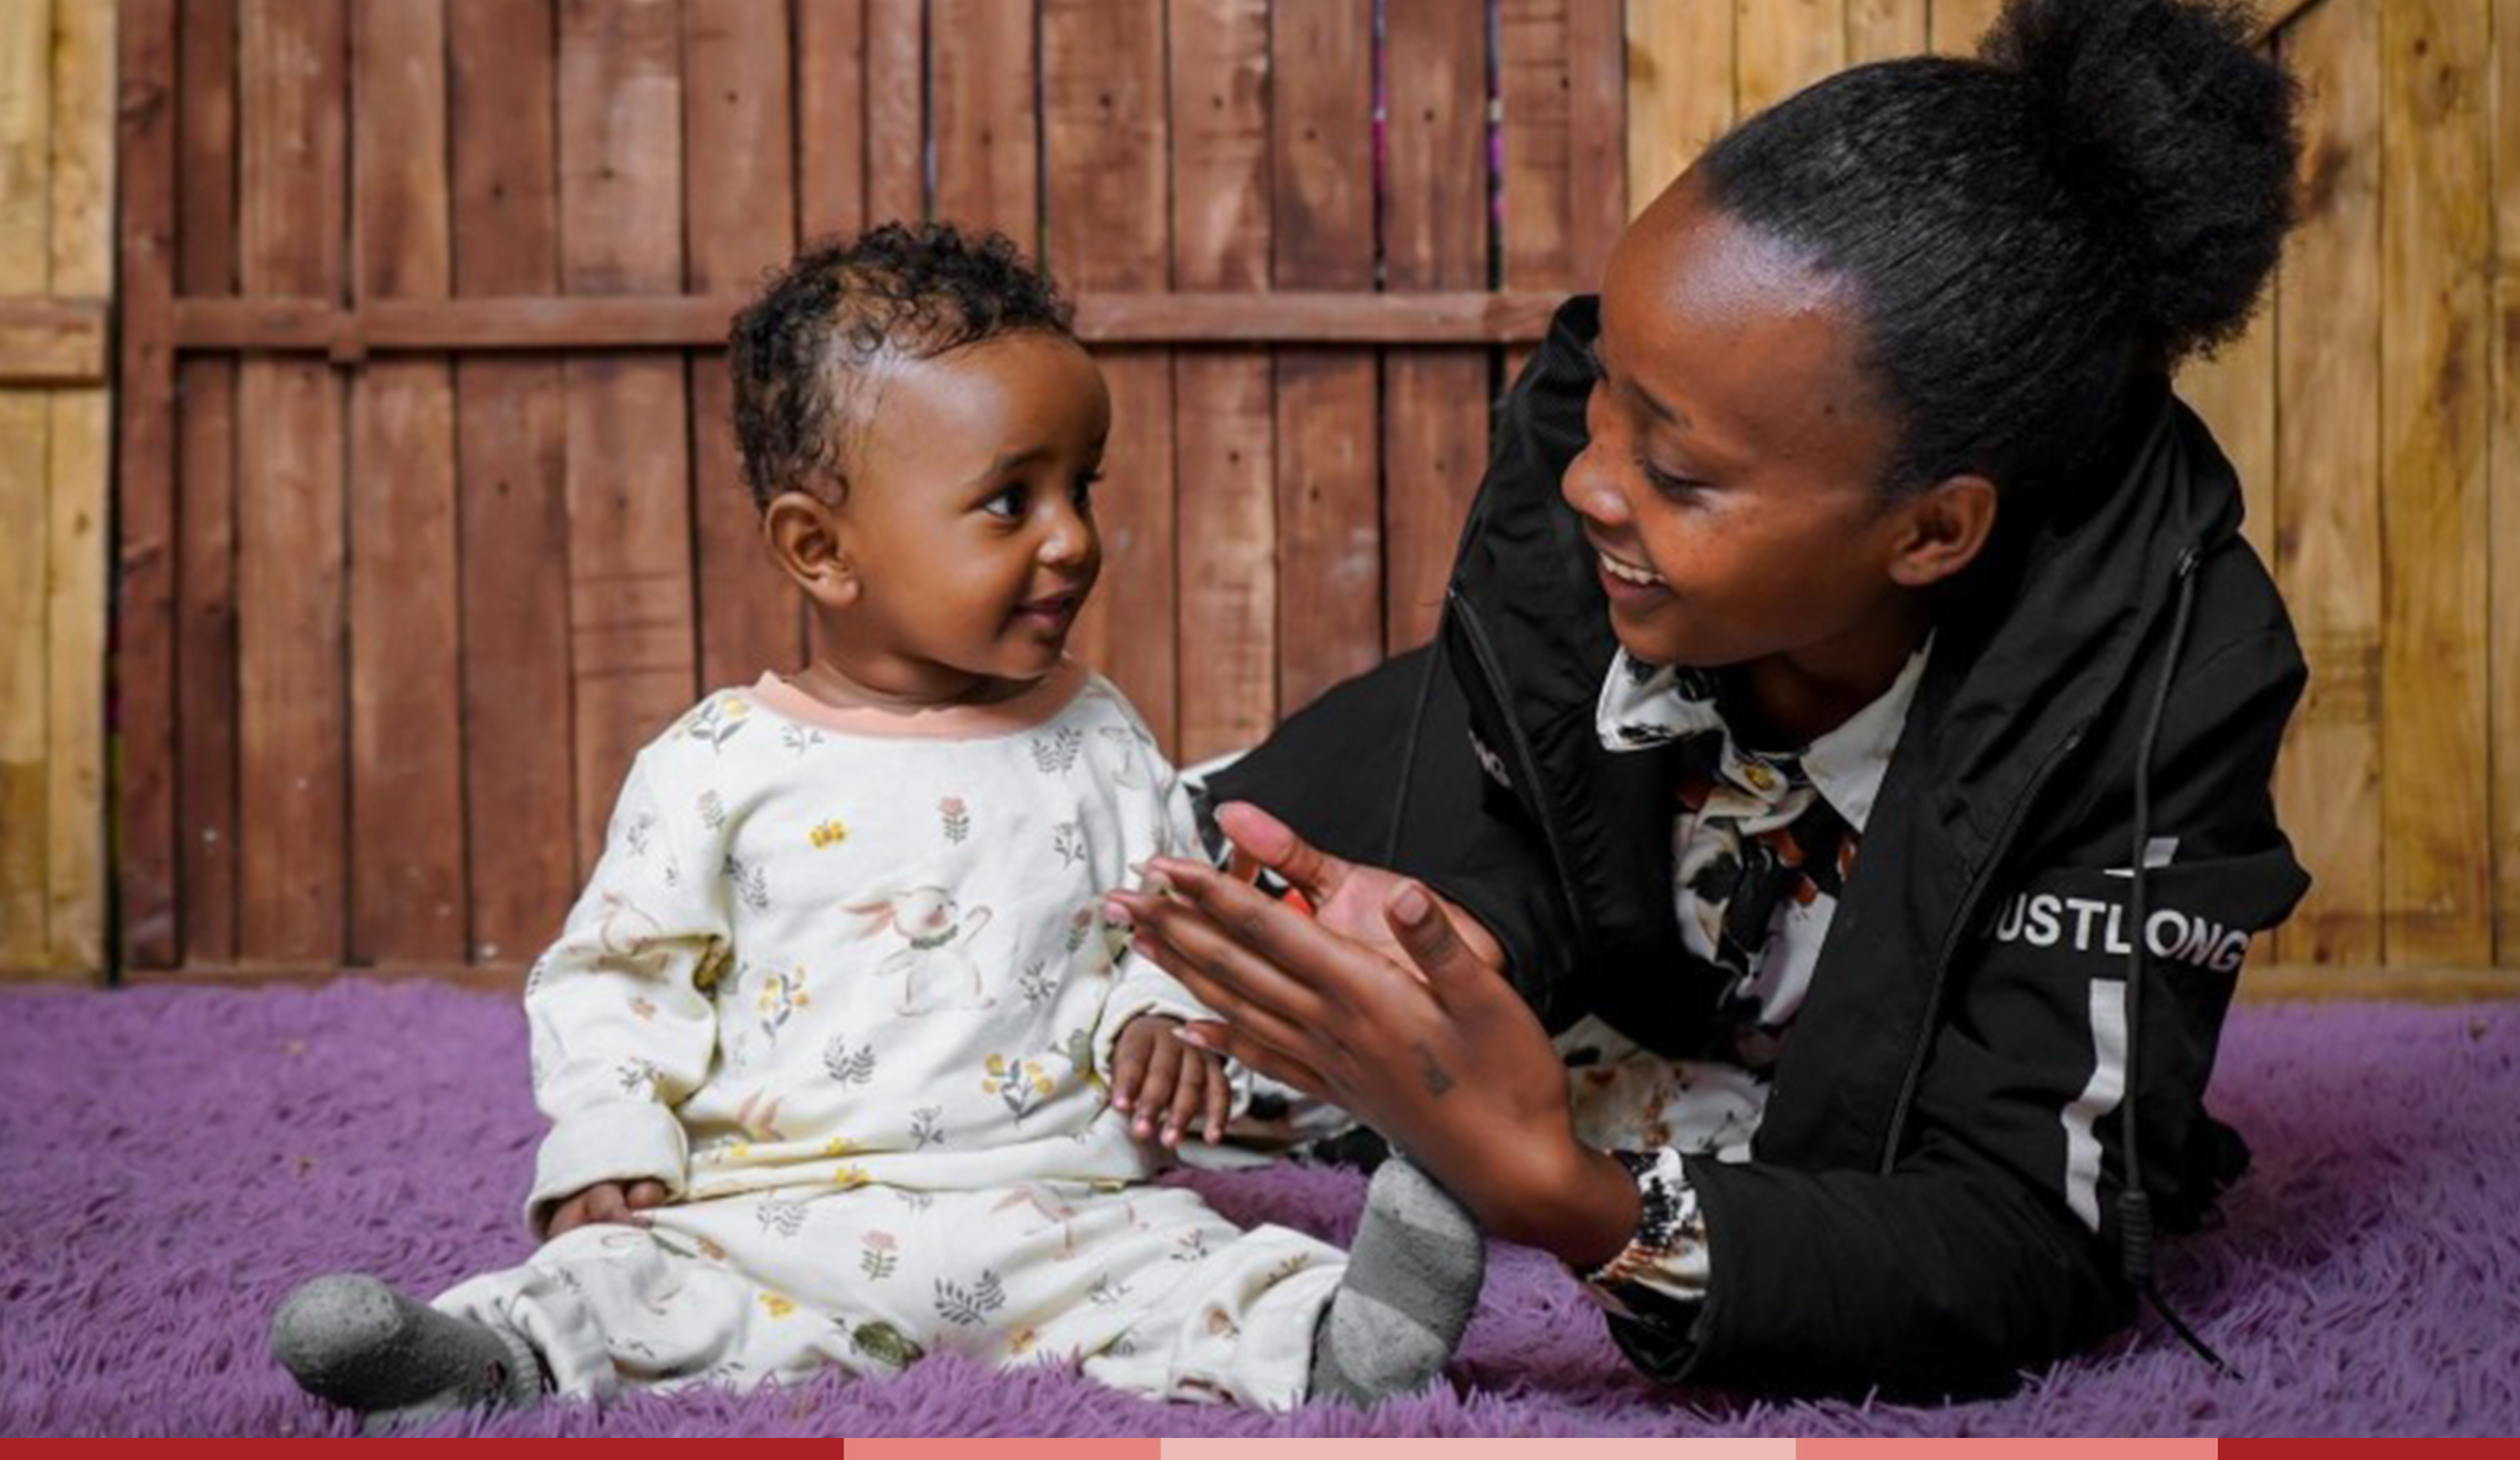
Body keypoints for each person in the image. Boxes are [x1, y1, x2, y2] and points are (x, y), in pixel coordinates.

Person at [1109, 0, 2309, 1399]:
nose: (1588, 480)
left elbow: (2024, 1226)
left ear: (1933, 532)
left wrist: (1568, 1194)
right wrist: (1470, 930)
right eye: (1607, 393)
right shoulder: (1594, 524)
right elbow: (1522, 803)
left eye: (1678, 475)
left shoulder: (2153, 686)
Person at [266, 224, 1483, 1425]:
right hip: (770, 1219)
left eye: (1081, 487)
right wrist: (609, 1131)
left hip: (1059, 1205)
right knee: (622, 1286)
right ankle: (483, 1362)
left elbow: (1162, 927)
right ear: (820, 549)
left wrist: (1161, 1023)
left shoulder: (1101, 736)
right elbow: (618, 976)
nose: (1072, 537)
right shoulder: (719, 764)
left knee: (1197, 1267)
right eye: (1011, 500)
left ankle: (1337, 1340)